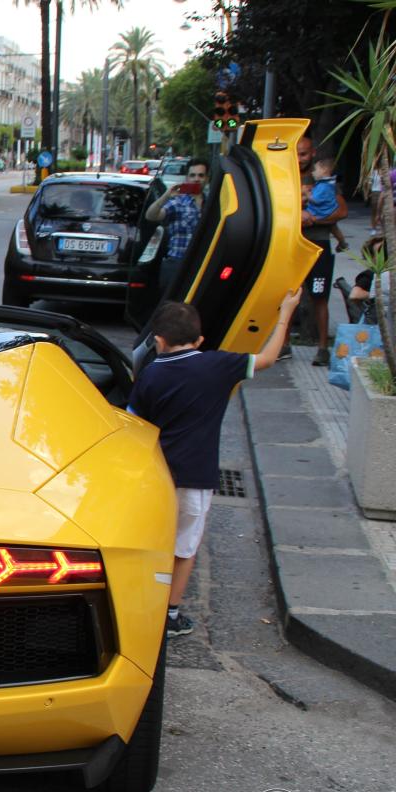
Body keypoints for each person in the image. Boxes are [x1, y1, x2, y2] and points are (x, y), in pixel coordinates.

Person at [128, 289, 303, 637]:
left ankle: (139, 606)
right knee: (185, 547)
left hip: (158, 475)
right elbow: (268, 357)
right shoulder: (220, 365)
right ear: (201, 339)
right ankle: (170, 615)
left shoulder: (150, 375)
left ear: (159, 341)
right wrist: (285, 312)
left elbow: (134, 425)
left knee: (153, 542)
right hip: (197, 476)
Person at [296, 135, 348, 366]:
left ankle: (322, 349)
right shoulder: (285, 176)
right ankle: (283, 346)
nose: (299, 159)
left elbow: (341, 212)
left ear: (313, 153)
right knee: (287, 296)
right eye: (296, 154)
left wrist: (313, 218)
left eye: (304, 154)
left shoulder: (326, 181)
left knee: (320, 297)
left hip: (318, 248)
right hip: (292, 247)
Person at [144, 158, 208, 294]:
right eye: (192, 175)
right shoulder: (177, 202)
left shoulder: (212, 203)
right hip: (177, 264)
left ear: (207, 179)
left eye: (201, 175)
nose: (196, 179)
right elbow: (151, 216)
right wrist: (166, 195)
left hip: (202, 265)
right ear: (186, 178)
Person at [305, 156, 347, 252]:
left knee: (332, 226)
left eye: (315, 170)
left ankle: (342, 242)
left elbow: (315, 200)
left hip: (320, 214)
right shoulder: (329, 183)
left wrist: (307, 194)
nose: (313, 172)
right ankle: (342, 242)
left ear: (324, 170)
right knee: (333, 227)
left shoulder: (323, 185)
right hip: (327, 212)